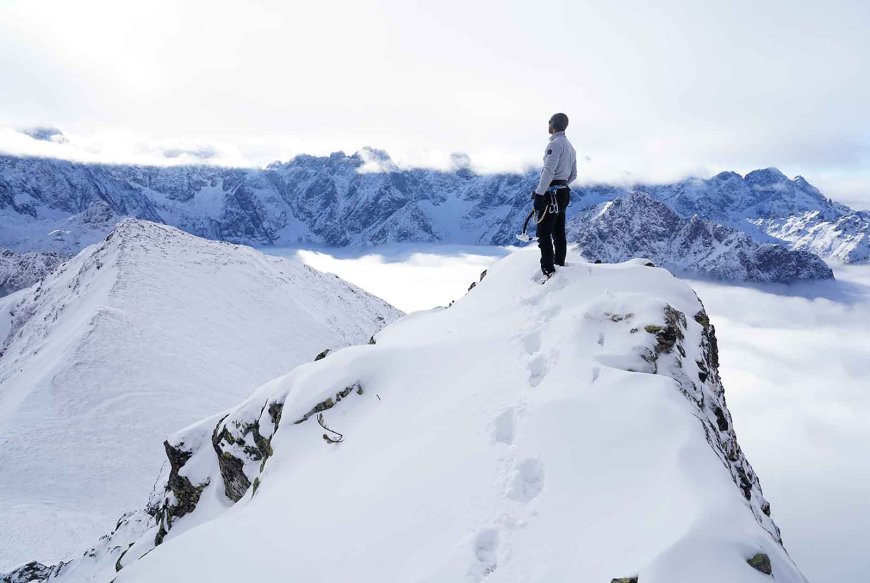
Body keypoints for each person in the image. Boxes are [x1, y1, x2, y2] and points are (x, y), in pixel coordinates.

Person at [532, 112, 577, 277]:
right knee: (559, 232)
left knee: (543, 233)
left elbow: (548, 171)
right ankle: (559, 264)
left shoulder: (554, 145)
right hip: (563, 192)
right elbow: (573, 175)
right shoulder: (570, 147)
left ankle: (549, 271)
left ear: (553, 124)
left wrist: (539, 193)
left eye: (549, 122)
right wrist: (561, 185)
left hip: (551, 194)